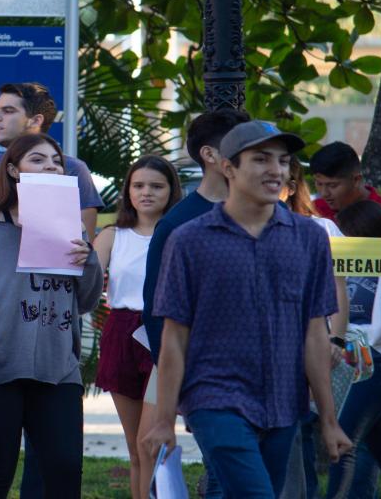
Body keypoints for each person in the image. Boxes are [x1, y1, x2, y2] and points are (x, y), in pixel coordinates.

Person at [142, 120, 352, 497]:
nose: (275, 170)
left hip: (284, 403)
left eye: (283, 161)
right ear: (228, 167)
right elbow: (174, 336)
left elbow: (314, 334)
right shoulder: (188, 240)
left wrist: (329, 420)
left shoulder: (310, 239)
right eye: (260, 159)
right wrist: (162, 419)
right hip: (214, 397)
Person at [0, 133, 102, 499]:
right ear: (13, 170)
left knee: (64, 472)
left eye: (56, 162)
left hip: (58, 369)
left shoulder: (71, 227)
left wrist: (88, 258)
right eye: (38, 160)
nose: (51, 167)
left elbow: (86, 301)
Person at [136, 108, 249, 498]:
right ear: (210, 155)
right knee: (225, 473)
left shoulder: (271, 213)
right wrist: (175, 385)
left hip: (268, 377)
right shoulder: (177, 224)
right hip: (206, 377)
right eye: (242, 147)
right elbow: (156, 310)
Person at [92, 155, 181, 499]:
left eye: (156, 186)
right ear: (128, 190)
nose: (146, 193)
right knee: (135, 450)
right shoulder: (114, 235)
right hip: (121, 333)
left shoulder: (180, 234)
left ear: (171, 191)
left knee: (152, 444)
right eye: (138, 185)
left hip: (165, 333)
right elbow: (83, 282)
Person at [325, 201, 381, 499]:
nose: (344, 238)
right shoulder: (341, 262)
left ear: (367, 232)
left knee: (343, 437)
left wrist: (354, 333)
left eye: (348, 232)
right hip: (351, 363)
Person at [278, 157, 352, 499]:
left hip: (312, 342)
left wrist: (335, 338)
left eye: (279, 174)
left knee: (303, 431)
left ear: (291, 187)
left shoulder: (320, 229)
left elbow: (338, 288)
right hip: (272, 349)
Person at [0, 82, 104, 240]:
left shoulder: (74, 169)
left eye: (8, 111)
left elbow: (84, 246)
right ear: (12, 171)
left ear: (35, 121)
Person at [310, 141, 381, 238]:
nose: (324, 193)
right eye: (319, 184)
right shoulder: (313, 211)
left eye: (332, 185)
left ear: (356, 180)